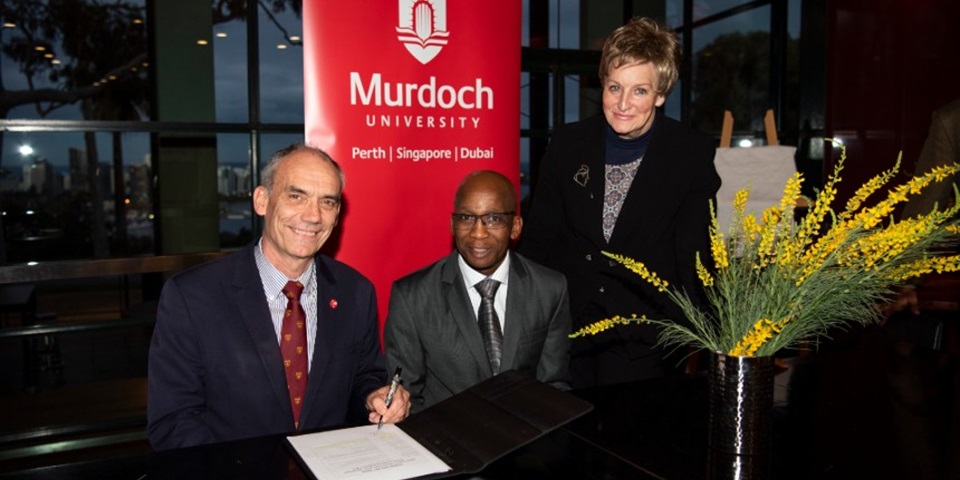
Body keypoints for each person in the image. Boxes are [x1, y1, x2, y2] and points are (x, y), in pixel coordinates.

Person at [147, 144, 410, 450]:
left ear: (338, 214)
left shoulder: (355, 292)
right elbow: (174, 421)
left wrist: (374, 398)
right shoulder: (193, 297)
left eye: (327, 201)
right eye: (296, 196)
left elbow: (363, 377)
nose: (312, 216)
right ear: (262, 200)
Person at [517, 17, 721, 388]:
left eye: (639, 91)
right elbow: (538, 241)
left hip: (643, 339)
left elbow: (696, 258)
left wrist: (699, 335)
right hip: (568, 333)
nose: (623, 104)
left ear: (661, 93)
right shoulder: (567, 144)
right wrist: (523, 320)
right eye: (614, 87)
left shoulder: (690, 155)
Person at [383, 170, 571, 413]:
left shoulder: (549, 289)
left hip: (526, 442)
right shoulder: (412, 296)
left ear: (515, 227)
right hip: (445, 444)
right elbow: (406, 400)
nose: (478, 232)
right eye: (466, 218)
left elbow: (553, 387)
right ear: (452, 225)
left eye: (493, 219)